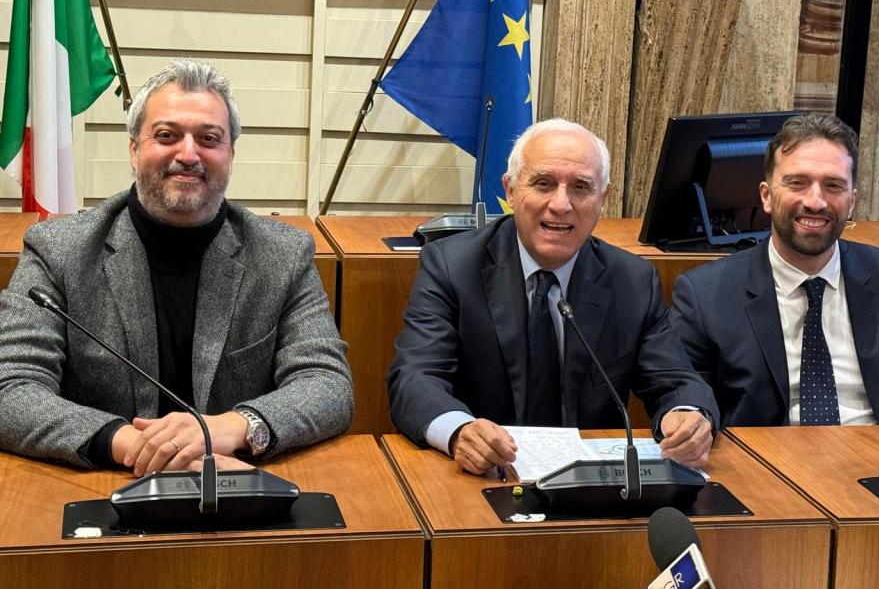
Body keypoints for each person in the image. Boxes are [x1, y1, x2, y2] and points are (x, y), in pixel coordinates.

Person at [0, 59, 353, 474]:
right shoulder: (60, 251)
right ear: (134, 149)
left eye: (209, 138)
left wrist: (233, 427)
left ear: (230, 154)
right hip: (105, 483)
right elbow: (10, 388)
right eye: (167, 136)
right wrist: (134, 443)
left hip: (238, 483)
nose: (188, 154)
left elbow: (328, 385)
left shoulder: (282, 254)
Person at [387, 118, 719, 475]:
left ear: (602, 199)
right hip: (484, 477)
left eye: (580, 187)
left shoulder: (632, 281)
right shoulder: (453, 266)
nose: (561, 205)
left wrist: (687, 416)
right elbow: (414, 377)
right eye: (543, 184)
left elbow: (677, 380)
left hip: (592, 485)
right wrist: (459, 431)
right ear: (511, 191)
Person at [670, 113, 879, 427]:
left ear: (852, 201)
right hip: (767, 467)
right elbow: (686, 404)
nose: (816, 202)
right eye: (797, 183)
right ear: (766, 196)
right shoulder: (706, 295)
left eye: (833, 186)